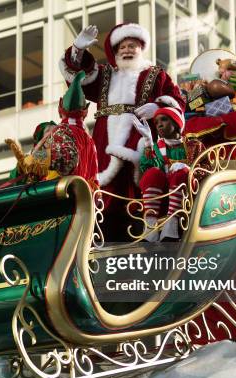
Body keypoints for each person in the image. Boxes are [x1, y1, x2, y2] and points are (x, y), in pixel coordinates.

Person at [60, 23, 185, 240]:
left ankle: (145, 228)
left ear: (141, 49)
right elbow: (78, 78)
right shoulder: (105, 74)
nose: (127, 50)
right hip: (104, 138)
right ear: (115, 52)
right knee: (101, 190)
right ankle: (102, 233)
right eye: (122, 47)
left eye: (132, 46)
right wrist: (78, 50)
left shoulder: (157, 75)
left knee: (137, 181)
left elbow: (177, 102)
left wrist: (158, 107)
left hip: (140, 134)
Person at [6, 71, 99, 187]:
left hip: (65, 199)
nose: (50, 137)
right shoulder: (90, 141)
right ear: (85, 112)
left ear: (60, 108)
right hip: (85, 199)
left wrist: (32, 159)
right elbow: (95, 179)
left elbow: (66, 157)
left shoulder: (62, 130)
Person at [138, 107, 204, 241]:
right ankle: (150, 226)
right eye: (156, 123)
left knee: (180, 173)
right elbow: (148, 171)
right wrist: (148, 144)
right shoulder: (157, 147)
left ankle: (172, 224)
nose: (159, 124)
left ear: (175, 122)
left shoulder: (194, 144)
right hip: (162, 197)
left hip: (188, 196)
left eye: (164, 120)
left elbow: (207, 168)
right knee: (152, 173)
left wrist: (188, 169)